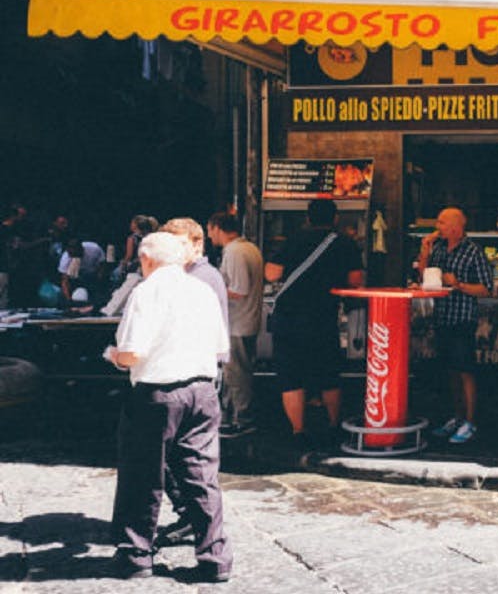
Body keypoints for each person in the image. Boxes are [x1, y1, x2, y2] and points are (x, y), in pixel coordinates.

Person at [105, 231, 232, 582]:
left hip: (157, 394)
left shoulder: (147, 292)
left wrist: (114, 355)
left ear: (147, 260)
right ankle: (215, 556)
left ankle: (136, 554)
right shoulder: (203, 290)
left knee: (143, 473)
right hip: (203, 391)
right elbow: (219, 343)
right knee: (202, 474)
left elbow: (131, 353)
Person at [265, 198, 364, 447]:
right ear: (336, 218)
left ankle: (298, 431)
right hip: (322, 316)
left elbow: (271, 273)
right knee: (329, 372)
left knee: (291, 376)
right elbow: (355, 280)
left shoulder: (294, 239)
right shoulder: (345, 243)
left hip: (288, 317)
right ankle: (333, 426)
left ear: (308, 218)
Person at [417, 206, 493, 444]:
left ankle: (470, 422)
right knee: (450, 370)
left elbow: (486, 288)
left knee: (465, 370)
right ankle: (457, 416)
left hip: (462, 318)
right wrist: (424, 251)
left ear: (455, 227)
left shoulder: (473, 252)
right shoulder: (437, 248)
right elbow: (424, 276)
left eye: (441, 223)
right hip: (442, 317)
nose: (437, 227)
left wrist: (458, 284)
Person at [207, 212, 264, 438]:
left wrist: (210, 291)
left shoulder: (234, 251)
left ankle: (243, 419)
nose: (209, 235)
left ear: (218, 228)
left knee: (237, 374)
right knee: (237, 371)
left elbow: (239, 290)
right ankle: (232, 417)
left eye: (210, 230)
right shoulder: (249, 248)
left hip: (238, 322)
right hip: (246, 320)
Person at [58, 236, 106, 306]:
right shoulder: (65, 258)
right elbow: (65, 281)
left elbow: (103, 264)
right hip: (76, 277)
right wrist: (68, 300)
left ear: (81, 249)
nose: (73, 256)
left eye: (75, 254)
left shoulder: (94, 249)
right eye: (71, 254)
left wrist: (100, 278)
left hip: (93, 274)